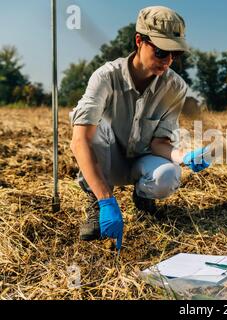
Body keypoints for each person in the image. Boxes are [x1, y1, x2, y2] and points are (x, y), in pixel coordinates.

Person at [69, 6, 209, 251]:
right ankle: (96, 202)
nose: (167, 61)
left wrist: (183, 157)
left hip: (141, 158)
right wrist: (106, 201)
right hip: (107, 160)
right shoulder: (105, 77)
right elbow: (79, 141)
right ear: (139, 41)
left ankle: (144, 198)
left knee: (168, 175)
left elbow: (159, 143)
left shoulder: (175, 87)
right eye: (161, 51)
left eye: (174, 54)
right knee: (95, 133)